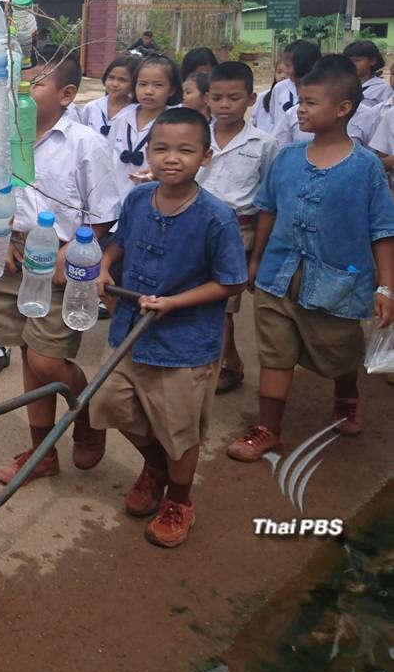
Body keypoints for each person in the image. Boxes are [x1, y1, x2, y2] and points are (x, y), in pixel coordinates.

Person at [92, 107, 248, 547]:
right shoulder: (138, 199)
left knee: (179, 431)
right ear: (149, 153)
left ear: (206, 156)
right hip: (129, 332)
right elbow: (118, 241)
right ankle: (155, 467)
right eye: (161, 148)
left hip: (183, 343)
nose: (171, 158)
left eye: (185, 149)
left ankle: (179, 499)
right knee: (109, 403)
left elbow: (232, 280)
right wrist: (104, 265)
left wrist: (176, 302)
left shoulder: (215, 217)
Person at [228, 55, 394, 462]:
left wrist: (386, 286)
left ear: (343, 110)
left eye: (311, 103)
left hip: (340, 280)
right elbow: (268, 210)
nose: (300, 109)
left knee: (339, 350)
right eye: (299, 101)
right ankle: (268, 429)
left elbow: (382, 229)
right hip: (277, 276)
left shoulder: (365, 168)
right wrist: (256, 261)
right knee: (276, 352)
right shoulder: (286, 159)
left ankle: (346, 395)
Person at [0, 49, 123, 484]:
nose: (21, 90)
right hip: (15, 251)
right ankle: (42, 450)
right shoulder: (7, 139)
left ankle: (87, 413)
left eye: (35, 83)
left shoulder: (83, 144)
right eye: (18, 82)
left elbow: (103, 212)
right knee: (26, 349)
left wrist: (71, 251)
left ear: (67, 95)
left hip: (64, 256)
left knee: (47, 358)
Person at [198, 62, 278, 394]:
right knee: (196, 298)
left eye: (234, 98)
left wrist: (257, 257)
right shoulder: (196, 135)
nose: (225, 105)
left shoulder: (264, 144)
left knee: (224, 307)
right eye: (217, 98)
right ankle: (216, 360)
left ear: (251, 99)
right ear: (207, 98)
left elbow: (268, 205)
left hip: (237, 232)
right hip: (195, 227)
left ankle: (225, 365)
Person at [108, 54, 182, 199]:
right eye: (142, 84)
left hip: (155, 199)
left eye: (158, 85)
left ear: (172, 89)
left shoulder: (176, 124)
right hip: (116, 198)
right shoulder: (121, 119)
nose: (149, 91)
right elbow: (108, 158)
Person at [80, 56, 135, 137]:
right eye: (111, 78)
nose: (115, 84)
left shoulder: (136, 112)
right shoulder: (92, 107)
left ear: (134, 83)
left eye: (122, 80)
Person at [251, 51, 293, 134]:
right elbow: (253, 121)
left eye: (287, 73)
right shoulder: (263, 96)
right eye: (279, 72)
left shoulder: (296, 97)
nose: (283, 76)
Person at [344, 39, 392, 107]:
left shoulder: (384, 89)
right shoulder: (340, 86)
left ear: (373, 61)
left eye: (357, 60)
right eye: (348, 60)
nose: (351, 64)